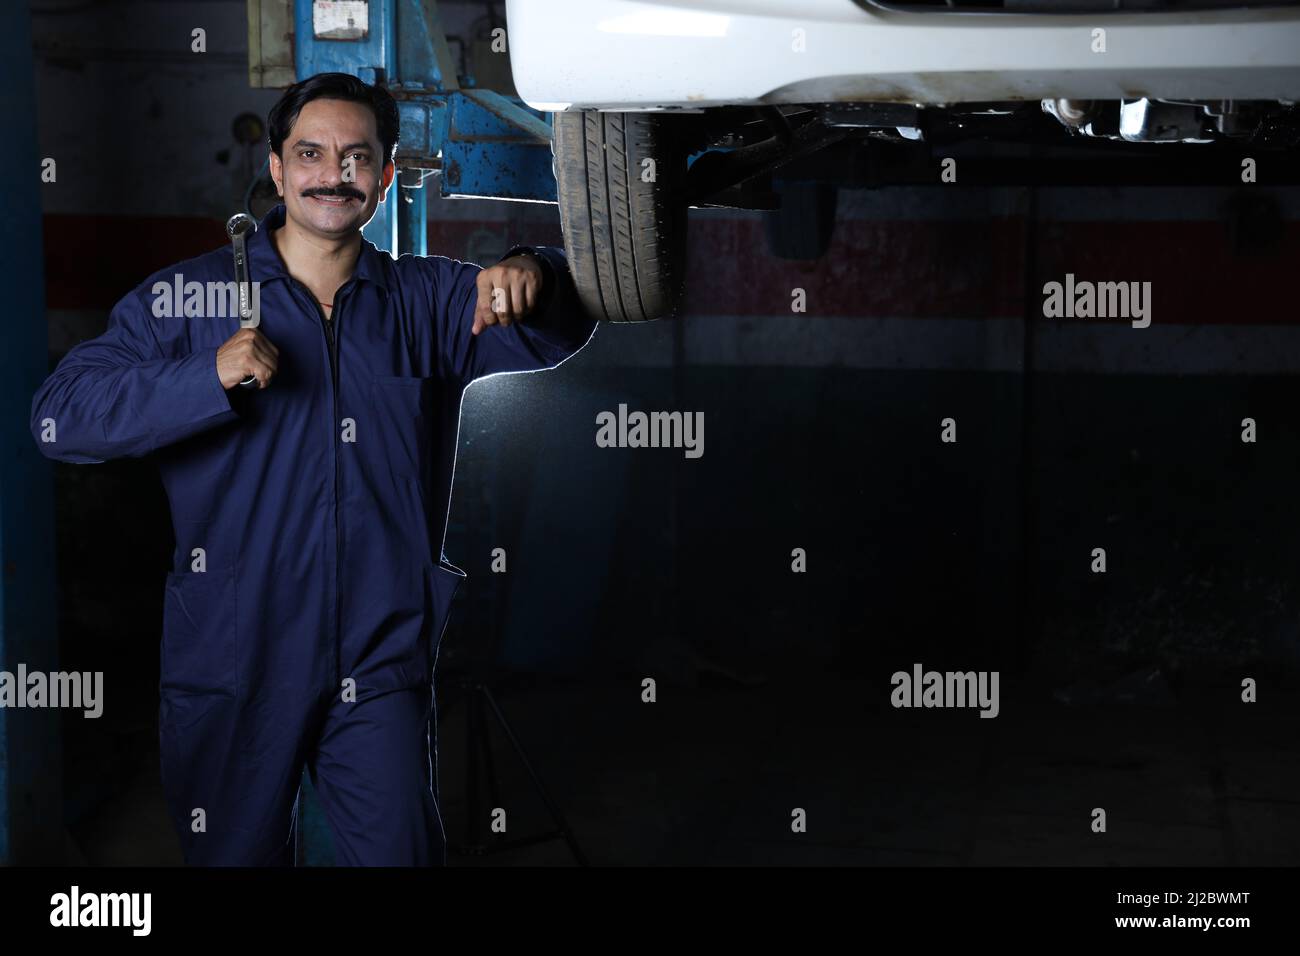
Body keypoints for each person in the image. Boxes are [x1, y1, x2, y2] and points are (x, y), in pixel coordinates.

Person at [30, 72, 598, 865]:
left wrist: (536, 270)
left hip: (379, 652)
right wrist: (203, 377)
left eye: (357, 158)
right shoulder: (190, 301)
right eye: (311, 154)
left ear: (386, 175)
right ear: (276, 168)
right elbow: (60, 416)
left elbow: (557, 327)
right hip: (235, 657)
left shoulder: (426, 301)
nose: (333, 175)